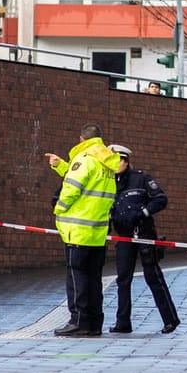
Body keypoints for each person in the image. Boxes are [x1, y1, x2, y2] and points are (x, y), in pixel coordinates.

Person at [45, 125, 124, 337]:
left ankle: (78, 321)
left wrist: (58, 208)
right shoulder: (106, 163)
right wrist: (61, 166)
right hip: (96, 232)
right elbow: (85, 181)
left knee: (76, 277)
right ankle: (94, 323)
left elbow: (72, 187)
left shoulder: (85, 158)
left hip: (77, 230)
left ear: (81, 139)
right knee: (93, 278)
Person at [107, 145, 181, 335]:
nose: (115, 165)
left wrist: (143, 213)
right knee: (123, 280)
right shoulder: (108, 182)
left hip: (143, 234)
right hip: (124, 236)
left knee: (153, 277)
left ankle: (170, 320)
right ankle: (123, 323)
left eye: (118, 161)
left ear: (126, 161)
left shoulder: (141, 179)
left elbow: (160, 199)